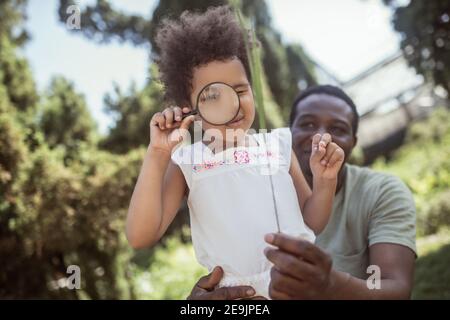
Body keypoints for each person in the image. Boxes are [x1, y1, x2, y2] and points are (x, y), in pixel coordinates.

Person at [125, 6, 344, 299]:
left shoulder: (277, 145)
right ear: (192, 108)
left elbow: (311, 222)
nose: (235, 105)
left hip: (298, 286)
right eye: (214, 96)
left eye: (241, 91)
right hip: (239, 297)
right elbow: (141, 236)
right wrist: (157, 155)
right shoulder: (188, 162)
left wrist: (325, 182)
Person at [187, 85, 417, 300]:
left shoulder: (381, 193)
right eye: (307, 124)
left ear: (354, 142)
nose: (320, 137)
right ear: (287, 134)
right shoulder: (246, 195)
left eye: (338, 129)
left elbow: (395, 288)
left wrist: (331, 285)